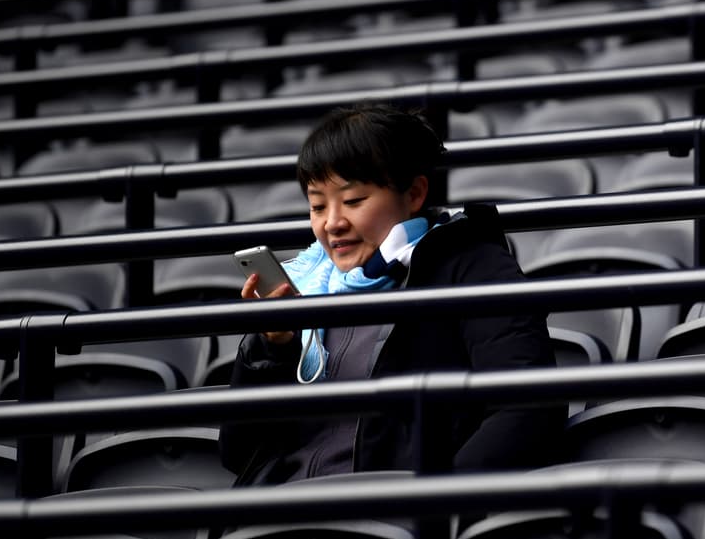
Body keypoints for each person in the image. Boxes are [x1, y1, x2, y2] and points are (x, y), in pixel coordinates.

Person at [220, 103, 561, 486]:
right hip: (280, 511)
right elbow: (238, 453)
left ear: (414, 193)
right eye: (317, 206)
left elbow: (528, 408)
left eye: (353, 201)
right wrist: (273, 348)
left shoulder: (473, 267)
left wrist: (434, 504)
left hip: (394, 513)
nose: (332, 223)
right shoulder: (306, 288)